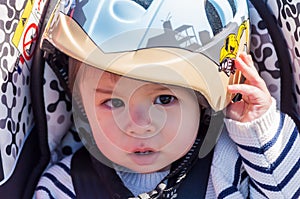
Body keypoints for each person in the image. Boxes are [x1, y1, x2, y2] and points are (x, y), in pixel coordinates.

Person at [34, 0, 300, 198]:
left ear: (202, 101)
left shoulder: (229, 165)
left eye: (163, 99)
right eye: (113, 103)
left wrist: (260, 133)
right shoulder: (64, 187)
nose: (139, 124)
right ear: (81, 108)